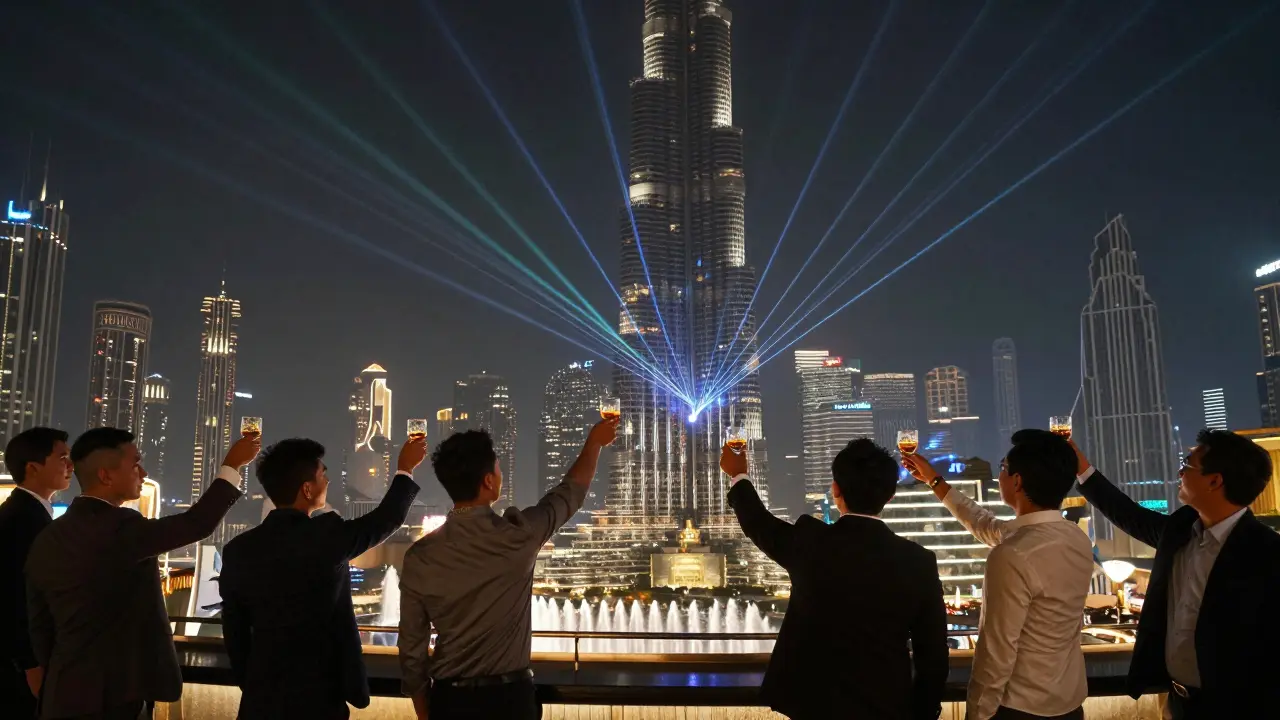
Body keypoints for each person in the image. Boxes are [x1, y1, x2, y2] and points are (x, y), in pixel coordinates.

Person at [25, 427, 259, 720]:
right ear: (105, 476)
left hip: (62, 690)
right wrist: (232, 466)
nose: (144, 472)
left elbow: (39, 624)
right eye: (135, 463)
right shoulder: (119, 529)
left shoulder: (49, 536)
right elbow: (196, 524)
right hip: (115, 695)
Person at [398, 418, 618, 720]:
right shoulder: (519, 536)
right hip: (510, 701)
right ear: (488, 481)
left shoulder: (419, 557)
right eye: (498, 468)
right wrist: (594, 444)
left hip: (450, 702)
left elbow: (412, 651)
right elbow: (571, 492)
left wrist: (427, 714)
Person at [724, 437, 947, 720]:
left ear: (835, 489)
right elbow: (934, 655)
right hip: (888, 707)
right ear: (889, 496)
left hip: (816, 707)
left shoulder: (811, 542)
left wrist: (738, 474)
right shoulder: (919, 561)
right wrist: (924, 712)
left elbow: (758, 521)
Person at [1073, 429, 1280, 718]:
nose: (1179, 471)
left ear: (1214, 480)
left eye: (1187, 463)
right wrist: (1081, 468)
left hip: (1239, 706)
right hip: (1177, 701)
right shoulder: (1181, 531)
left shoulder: (1267, 553)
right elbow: (1128, 514)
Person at [218, 436, 426, 719]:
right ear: (307, 489)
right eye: (322, 475)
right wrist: (405, 468)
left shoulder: (238, 551)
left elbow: (235, 634)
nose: (327, 482)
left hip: (261, 699)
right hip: (320, 697)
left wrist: (254, 684)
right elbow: (386, 519)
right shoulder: (326, 536)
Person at [904, 431, 1092, 720]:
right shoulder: (1075, 538)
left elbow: (996, 652)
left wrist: (977, 714)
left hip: (1019, 709)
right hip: (1070, 704)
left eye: (1003, 468)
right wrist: (935, 481)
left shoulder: (1012, 555)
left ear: (1017, 481)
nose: (999, 474)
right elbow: (985, 524)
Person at [0, 428, 72, 718]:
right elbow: (13, 597)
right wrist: (30, 663)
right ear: (33, 468)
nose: (71, 465)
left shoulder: (28, 514)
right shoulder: (22, 521)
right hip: (20, 668)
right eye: (63, 457)